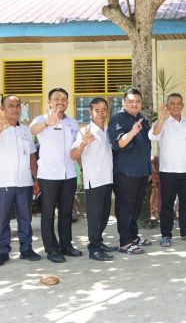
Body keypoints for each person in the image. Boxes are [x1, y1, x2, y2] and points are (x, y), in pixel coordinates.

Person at [0, 95, 41, 267]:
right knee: (2, 220)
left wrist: (36, 179)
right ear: (2, 109)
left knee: (25, 218)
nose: (15, 109)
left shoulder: (26, 130)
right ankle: (3, 251)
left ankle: (26, 249)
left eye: (18, 106)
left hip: (24, 182)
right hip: (3, 183)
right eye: (10, 106)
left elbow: (32, 156)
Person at [30, 88, 81, 263]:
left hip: (69, 174)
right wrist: (47, 123)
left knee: (66, 212)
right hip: (49, 175)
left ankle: (66, 245)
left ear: (68, 102)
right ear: (49, 102)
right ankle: (51, 249)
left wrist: (82, 168)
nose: (60, 102)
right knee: (48, 213)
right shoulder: (41, 119)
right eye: (56, 99)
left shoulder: (72, 123)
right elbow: (33, 130)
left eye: (64, 99)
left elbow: (75, 147)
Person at [149, 93, 186, 247]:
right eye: (172, 103)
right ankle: (166, 235)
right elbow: (153, 136)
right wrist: (161, 119)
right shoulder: (162, 122)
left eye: (179, 103)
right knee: (167, 205)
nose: (176, 106)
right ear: (167, 105)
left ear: (183, 105)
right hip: (168, 171)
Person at [108, 88, 152, 255]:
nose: (134, 104)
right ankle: (125, 243)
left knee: (135, 207)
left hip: (141, 171)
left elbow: (146, 146)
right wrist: (132, 132)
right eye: (131, 101)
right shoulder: (117, 119)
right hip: (125, 172)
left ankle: (133, 237)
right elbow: (119, 143)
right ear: (124, 102)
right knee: (125, 208)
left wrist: (148, 169)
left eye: (137, 101)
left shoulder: (142, 119)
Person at [71, 98, 116, 261]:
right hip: (94, 180)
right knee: (95, 217)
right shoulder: (85, 131)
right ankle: (94, 248)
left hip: (107, 179)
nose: (101, 113)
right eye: (97, 110)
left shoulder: (108, 131)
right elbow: (73, 154)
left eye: (104, 110)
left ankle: (99, 242)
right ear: (90, 112)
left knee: (104, 215)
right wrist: (83, 143)